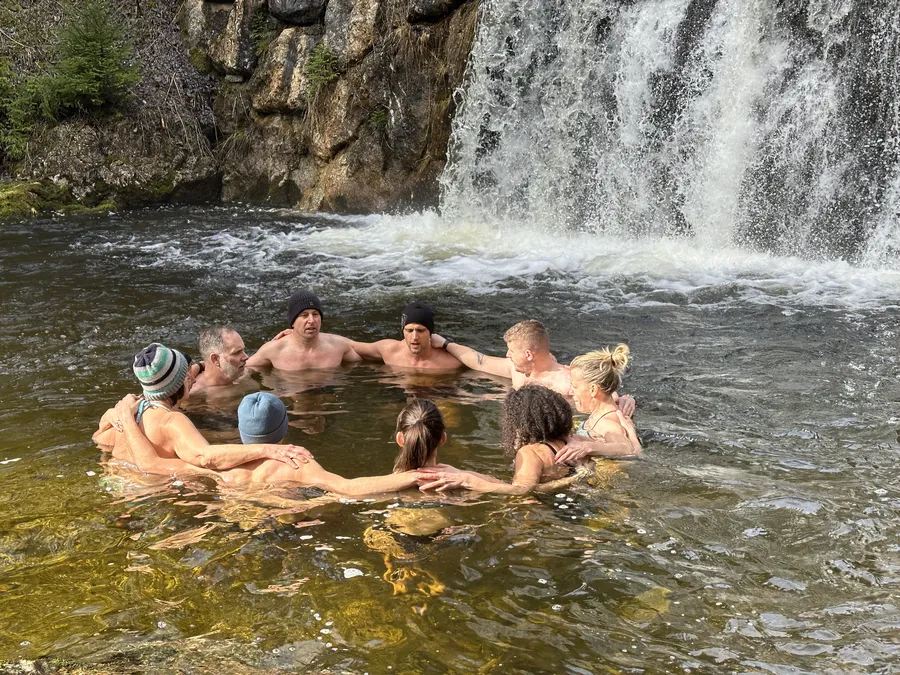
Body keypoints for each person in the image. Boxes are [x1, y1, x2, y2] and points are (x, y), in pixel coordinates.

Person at [105, 390, 421, 496]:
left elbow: (151, 465)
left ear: (242, 428)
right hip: (285, 530)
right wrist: (411, 477)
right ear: (284, 427)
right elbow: (349, 489)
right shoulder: (296, 463)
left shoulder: (217, 466)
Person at [94, 343, 312, 470]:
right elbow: (206, 457)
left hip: (116, 483)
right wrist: (269, 449)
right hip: (146, 497)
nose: (192, 378)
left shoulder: (129, 412)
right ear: (176, 384)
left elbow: (100, 439)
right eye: (186, 375)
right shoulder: (171, 420)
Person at [430, 320, 635, 417]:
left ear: (529, 354)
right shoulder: (515, 369)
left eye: (511, 350)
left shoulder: (565, 381)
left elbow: (601, 394)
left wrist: (624, 399)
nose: (507, 355)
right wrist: (445, 344)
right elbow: (479, 361)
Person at [416, 385, 583, 494]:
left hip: (547, 510)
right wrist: (463, 473)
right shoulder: (572, 442)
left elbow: (521, 491)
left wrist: (468, 481)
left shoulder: (531, 453)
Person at [553, 345, 641, 463]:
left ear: (593, 390)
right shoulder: (601, 412)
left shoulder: (607, 422)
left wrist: (587, 447)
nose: (571, 392)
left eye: (575, 386)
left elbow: (625, 447)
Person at [246, 290, 361, 371]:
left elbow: (370, 352)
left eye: (315, 314)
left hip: (326, 395)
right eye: (304, 315)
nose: (311, 320)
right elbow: (241, 370)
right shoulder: (273, 350)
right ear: (293, 322)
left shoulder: (338, 346)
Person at [349, 302, 463, 371]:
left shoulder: (450, 360)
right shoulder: (389, 350)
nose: (414, 337)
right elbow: (350, 346)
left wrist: (447, 344)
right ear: (403, 331)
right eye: (409, 330)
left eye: (420, 330)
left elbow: (474, 361)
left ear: (430, 333)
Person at [190, 325, 250, 391]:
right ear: (215, 359)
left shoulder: (242, 373)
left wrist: (199, 366)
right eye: (236, 352)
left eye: (243, 350)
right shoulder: (196, 392)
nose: (246, 357)